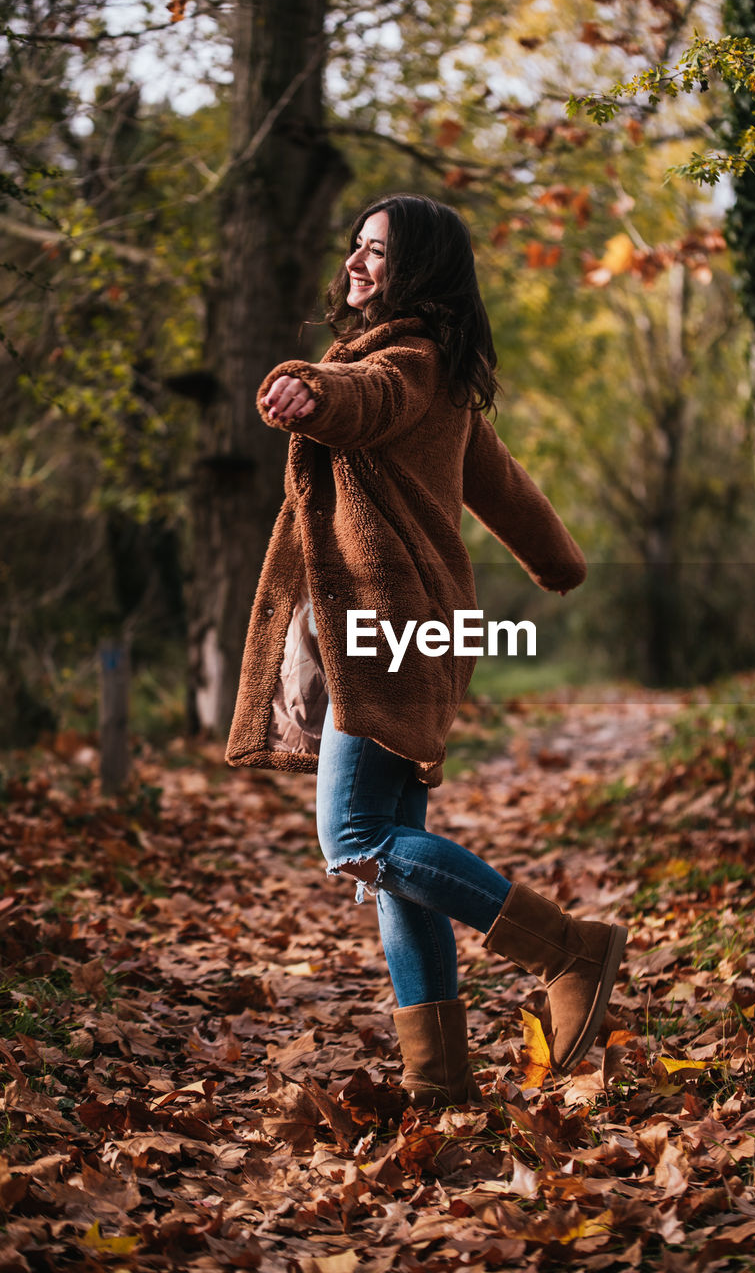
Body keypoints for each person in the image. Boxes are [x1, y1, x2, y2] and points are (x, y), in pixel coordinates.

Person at [225, 193, 627, 1109]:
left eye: (379, 253)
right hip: (414, 631)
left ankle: (567, 948)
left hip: (385, 636)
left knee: (356, 839)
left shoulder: (403, 363)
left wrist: (309, 388)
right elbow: (504, 485)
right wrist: (557, 563)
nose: (358, 264)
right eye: (356, 246)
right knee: (393, 873)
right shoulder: (444, 378)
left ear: (420, 274)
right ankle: (440, 1084)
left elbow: (361, 403)